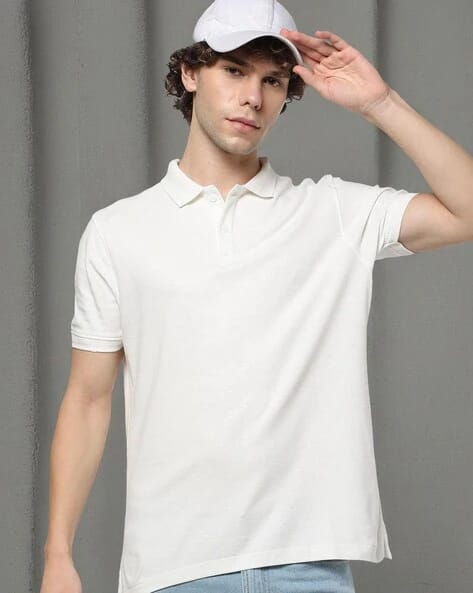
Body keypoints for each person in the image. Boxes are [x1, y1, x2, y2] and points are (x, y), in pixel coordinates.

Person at [40, 1, 473, 592]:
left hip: (309, 566)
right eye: (234, 71)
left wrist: (380, 104)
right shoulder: (118, 232)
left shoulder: (331, 212)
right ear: (191, 73)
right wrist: (58, 555)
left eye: (273, 80)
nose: (253, 97)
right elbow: (88, 399)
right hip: (174, 569)